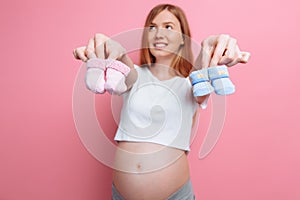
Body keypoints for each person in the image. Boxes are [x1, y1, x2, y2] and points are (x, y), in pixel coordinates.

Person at [73, 4, 250, 200]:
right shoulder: (134, 75)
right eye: (152, 27)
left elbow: (199, 73)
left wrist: (209, 45)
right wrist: (112, 50)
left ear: (183, 39)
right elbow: (124, 65)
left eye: (168, 27)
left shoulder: (189, 84)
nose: (158, 33)